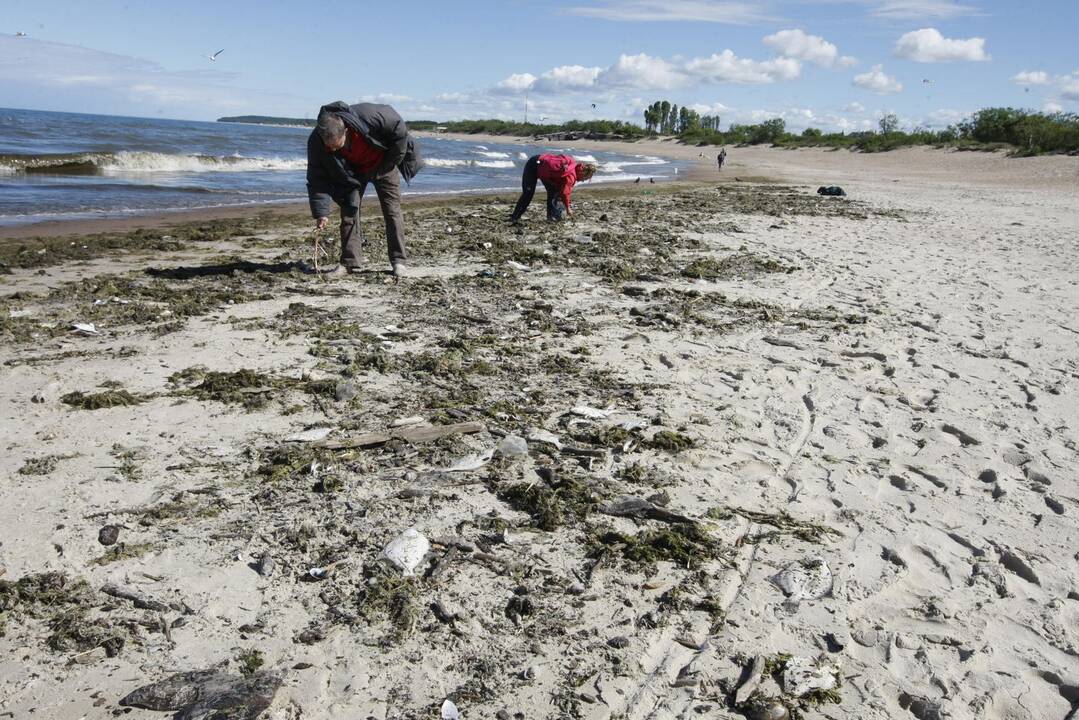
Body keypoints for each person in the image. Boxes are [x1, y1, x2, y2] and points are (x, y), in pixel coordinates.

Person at [306, 101, 422, 279]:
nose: (332, 149)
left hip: (384, 164)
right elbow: (316, 177)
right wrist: (321, 212)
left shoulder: (370, 116)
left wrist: (390, 163)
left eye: (337, 146)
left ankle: (399, 261)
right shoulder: (317, 142)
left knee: (392, 211)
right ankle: (348, 263)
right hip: (353, 172)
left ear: (346, 130)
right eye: (329, 147)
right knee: (349, 212)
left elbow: (400, 132)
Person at [508, 153, 596, 223]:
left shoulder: (573, 164)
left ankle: (551, 217)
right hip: (533, 165)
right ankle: (515, 216)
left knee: (553, 191)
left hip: (540, 163)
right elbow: (565, 193)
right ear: (584, 173)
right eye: (586, 178)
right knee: (528, 194)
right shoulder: (571, 176)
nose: (583, 181)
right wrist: (568, 208)